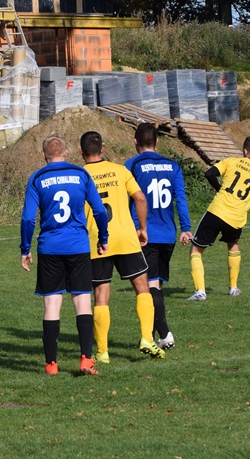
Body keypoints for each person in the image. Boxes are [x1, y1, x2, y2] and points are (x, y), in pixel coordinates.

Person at [20, 134, 109, 376]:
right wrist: (103, 238)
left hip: (49, 247)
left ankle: (51, 364)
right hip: (78, 246)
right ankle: (86, 359)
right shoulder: (81, 174)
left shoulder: (38, 178)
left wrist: (25, 248)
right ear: (67, 152)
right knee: (82, 301)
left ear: (43, 155)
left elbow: (28, 219)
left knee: (52, 303)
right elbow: (100, 211)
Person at [80, 131, 165, 362]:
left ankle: (102, 352)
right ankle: (147, 338)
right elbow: (140, 198)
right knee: (143, 287)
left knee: (101, 295)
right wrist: (143, 228)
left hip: (98, 240)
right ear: (102, 149)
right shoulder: (120, 170)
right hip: (126, 237)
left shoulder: (81, 175)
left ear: (81, 152)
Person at [186, 136, 250, 300]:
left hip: (217, 211)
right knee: (233, 246)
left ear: (245, 151)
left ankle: (200, 292)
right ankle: (233, 288)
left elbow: (209, 173)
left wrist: (220, 189)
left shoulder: (232, 161)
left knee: (196, 249)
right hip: (236, 219)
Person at [125, 123, 193, 350]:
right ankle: (150, 337)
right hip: (168, 234)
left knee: (148, 286)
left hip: (145, 233)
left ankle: (164, 333)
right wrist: (185, 227)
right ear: (157, 141)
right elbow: (180, 198)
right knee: (156, 285)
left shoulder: (132, 165)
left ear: (135, 142)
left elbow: (125, 199)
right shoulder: (173, 166)